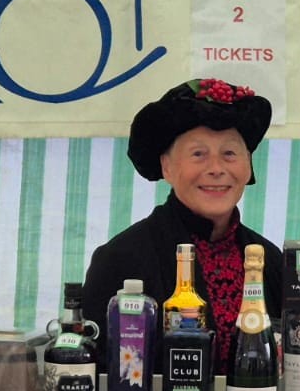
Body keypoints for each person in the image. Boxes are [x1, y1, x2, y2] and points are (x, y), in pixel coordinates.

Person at [81, 77, 281, 368]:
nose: (216, 169)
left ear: (248, 164)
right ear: (167, 166)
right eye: (198, 154)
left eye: (229, 153)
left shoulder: (271, 261)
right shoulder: (120, 260)